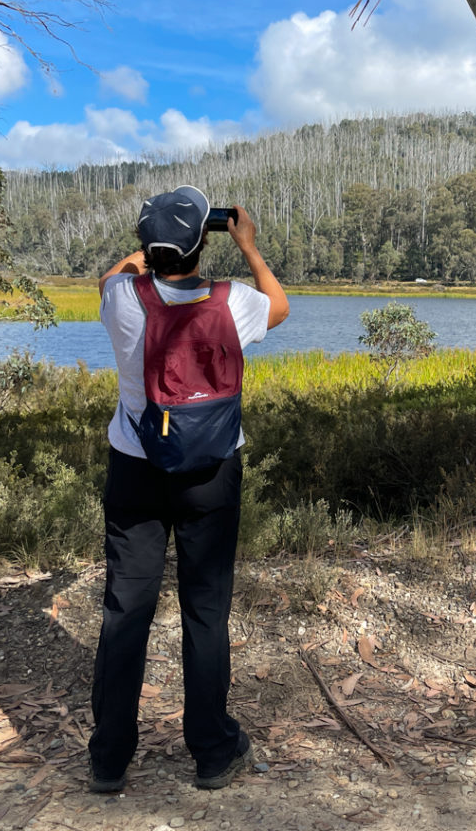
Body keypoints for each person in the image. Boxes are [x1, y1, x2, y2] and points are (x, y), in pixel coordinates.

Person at [89, 185, 288, 793]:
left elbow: (110, 276)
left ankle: (109, 760)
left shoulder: (123, 299)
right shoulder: (235, 303)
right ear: (206, 241)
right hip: (212, 475)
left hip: (135, 468)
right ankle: (210, 749)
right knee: (206, 609)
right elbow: (280, 306)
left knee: (127, 609)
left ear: (150, 249)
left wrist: (143, 252)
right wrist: (250, 247)